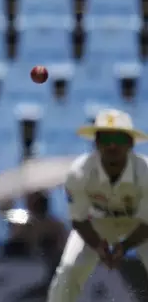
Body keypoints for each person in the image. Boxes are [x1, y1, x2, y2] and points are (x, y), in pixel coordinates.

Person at [47, 109, 148, 302]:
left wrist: (124, 246)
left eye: (118, 139)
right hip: (96, 224)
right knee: (69, 269)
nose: (111, 145)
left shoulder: (146, 173)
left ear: (130, 143)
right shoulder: (79, 172)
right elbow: (79, 219)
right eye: (105, 139)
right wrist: (98, 246)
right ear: (95, 143)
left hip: (140, 226)